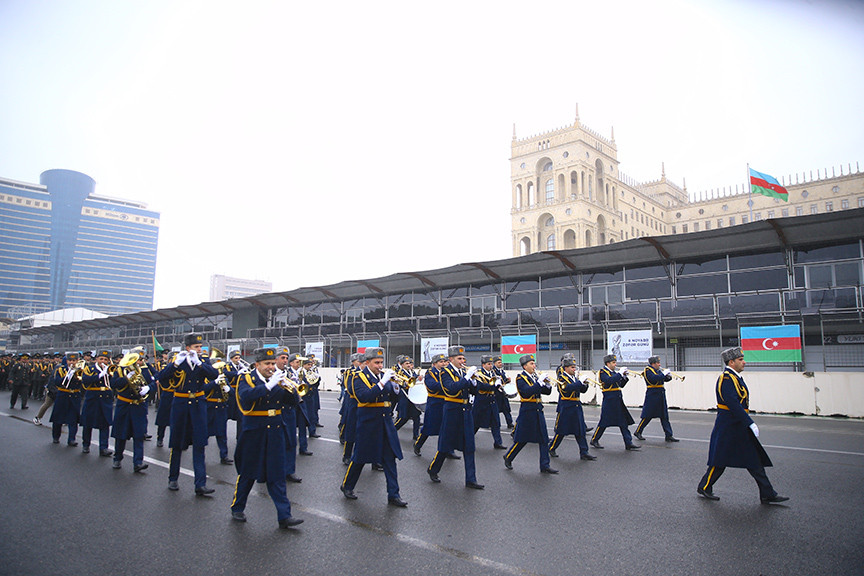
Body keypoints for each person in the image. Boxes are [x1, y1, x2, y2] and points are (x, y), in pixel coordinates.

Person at [697, 347, 789, 504]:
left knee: (754, 460)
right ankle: (704, 486)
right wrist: (749, 422)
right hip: (729, 425)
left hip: (737, 424)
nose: (744, 362)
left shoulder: (735, 377)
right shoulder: (726, 379)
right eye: (740, 360)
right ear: (731, 362)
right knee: (719, 460)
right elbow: (733, 404)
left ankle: (767, 493)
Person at [230, 347, 303, 528]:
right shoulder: (246, 379)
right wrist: (268, 386)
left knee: (277, 474)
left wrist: (290, 388)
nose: (271, 367)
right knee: (248, 472)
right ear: (257, 364)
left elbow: (293, 402)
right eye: (267, 364)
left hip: (275, 431)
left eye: (272, 363)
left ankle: (284, 516)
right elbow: (245, 398)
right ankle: (237, 507)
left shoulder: (278, 379)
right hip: (254, 431)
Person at [340, 347, 407, 507]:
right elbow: (364, 396)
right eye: (376, 362)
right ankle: (347, 485)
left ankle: (393, 494)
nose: (379, 365)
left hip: (385, 421)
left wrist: (397, 387)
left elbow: (392, 396)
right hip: (368, 422)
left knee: (390, 459)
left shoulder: (383, 376)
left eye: (381, 362)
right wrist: (383, 382)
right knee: (360, 458)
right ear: (367, 362)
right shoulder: (358, 377)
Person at [157, 333, 219, 495]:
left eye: (200, 347)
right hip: (181, 404)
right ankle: (173, 478)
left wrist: (199, 364)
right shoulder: (178, 361)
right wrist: (175, 364)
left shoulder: (202, 361)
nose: (199, 350)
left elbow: (214, 375)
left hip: (198, 405)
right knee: (177, 443)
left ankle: (200, 484)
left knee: (199, 444)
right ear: (187, 348)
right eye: (196, 347)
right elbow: (161, 377)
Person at [426, 346, 484, 489]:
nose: (462, 361)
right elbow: (451, 389)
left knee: (469, 445)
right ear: (451, 359)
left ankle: (471, 479)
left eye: (463, 358)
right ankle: (433, 469)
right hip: (452, 410)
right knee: (446, 444)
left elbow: (473, 391)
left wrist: (474, 382)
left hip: (466, 410)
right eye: (459, 358)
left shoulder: (463, 372)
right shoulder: (445, 372)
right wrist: (467, 378)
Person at [503, 354, 558, 474]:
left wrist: (547, 384)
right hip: (528, 410)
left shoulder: (534, 377)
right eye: (531, 363)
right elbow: (526, 392)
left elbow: (546, 392)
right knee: (522, 439)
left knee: (543, 439)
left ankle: (545, 465)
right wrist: (538, 383)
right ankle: (508, 457)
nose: (534, 366)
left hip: (538, 409)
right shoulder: (520, 378)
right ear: (524, 366)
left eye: (534, 363)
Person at [548, 357, 596, 461]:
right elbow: (566, 390)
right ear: (566, 368)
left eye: (574, 367)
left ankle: (584, 452)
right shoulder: (561, 378)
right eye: (572, 367)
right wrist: (579, 383)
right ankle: (551, 448)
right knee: (561, 431)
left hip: (576, 405)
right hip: (567, 406)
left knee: (580, 430)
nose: (574, 369)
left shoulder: (574, 378)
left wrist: (584, 384)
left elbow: (582, 390)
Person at [110, 353, 151, 472]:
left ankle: (138, 462)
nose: (138, 363)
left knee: (139, 435)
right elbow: (114, 384)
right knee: (121, 434)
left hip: (138, 406)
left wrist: (148, 388)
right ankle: (117, 458)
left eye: (139, 361)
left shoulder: (143, 370)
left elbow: (153, 382)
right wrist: (126, 378)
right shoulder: (120, 370)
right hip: (124, 405)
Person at [590, 354, 640, 451]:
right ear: (608, 363)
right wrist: (619, 374)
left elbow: (621, 384)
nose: (615, 364)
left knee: (623, 422)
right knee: (604, 422)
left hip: (617, 399)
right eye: (613, 362)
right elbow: (608, 381)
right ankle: (594, 439)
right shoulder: (602, 372)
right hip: (609, 400)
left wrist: (624, 377)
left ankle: (628, 443)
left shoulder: (613, 372)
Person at [412, 353, 452, 458]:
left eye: (444, 362)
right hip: (435, 403)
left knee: (447, 427)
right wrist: (447, 384)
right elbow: (432, 386)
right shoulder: (430, 373)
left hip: (446, 401)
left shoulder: (447, 372)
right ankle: (418, 445)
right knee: (428, 427)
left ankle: (448, 450)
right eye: (441, 362)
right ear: (434, 364)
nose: (443, 364)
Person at [79, 349, 115, 457]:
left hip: (105, 398)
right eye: (101, 359)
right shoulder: (89, 369)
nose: (103, 361)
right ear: (96, 359)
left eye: (105, 359)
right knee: (88, 422)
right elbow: (85, 380)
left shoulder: (111, 370)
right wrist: (99, 375)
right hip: (92, 398)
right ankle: (86, 444)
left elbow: (115, 383)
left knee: (105, 423)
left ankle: (103, 447)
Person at [634, 356, 678, 442]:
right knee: (647, 415)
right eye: (658, 363)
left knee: (664, 416)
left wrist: (668, 376)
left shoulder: (658, 370)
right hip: (652, 395)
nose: (659, 364)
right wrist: (663, 374)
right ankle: (638, 431)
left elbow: (664, 379)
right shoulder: (647, 371)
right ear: (653, 364)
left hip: (660, 394)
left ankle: (668, 435)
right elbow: (653, 379)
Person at [274, 347, 302, 483]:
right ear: (276, 359)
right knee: (276, 443)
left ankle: (289, 471)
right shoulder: (271, 373)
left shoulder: (289, 374)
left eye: (286, 358)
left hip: (289, 411)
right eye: (282, 358)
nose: (285, 361)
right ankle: (273, 471)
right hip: (276, 411)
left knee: (291, 442)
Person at [48, 352, 84, 446]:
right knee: (58, 418)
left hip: (75, 395)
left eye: (74, 360)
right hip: (63, 394)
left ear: (77, 361)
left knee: (73, 419)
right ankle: (56, 437)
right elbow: (57, 382)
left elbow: (83, 383)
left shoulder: (80, 370)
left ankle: (71, 439)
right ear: (66, 361)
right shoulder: (60, 369)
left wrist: (77, 375)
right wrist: (68, 375)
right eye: (70, 360)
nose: (72, 362)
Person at [472, 355, 506, 450]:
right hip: (482, 401)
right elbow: (481, 386)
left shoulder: (494, 373)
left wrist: (501, 382)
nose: (491, 366)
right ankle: (467, 439)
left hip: (492, 400)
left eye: (491, 364)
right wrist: (494, 386)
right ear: (483, 365)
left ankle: (498, 442)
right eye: (489, 364)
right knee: (476, 423)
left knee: (496, 422)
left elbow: (502, 382)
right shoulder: (478, 374)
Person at [205, 355, 233, 465]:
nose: (219, 370)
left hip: (221, 408)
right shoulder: (206, 378)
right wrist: (214, 383)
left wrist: (228, 389)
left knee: (222, 433)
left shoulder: (224, 378)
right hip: (210, 407)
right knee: (205, 433)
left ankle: (224, 456)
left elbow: (231, 393)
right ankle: (200, 453)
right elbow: (203, 389)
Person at [286, 353, 314, 455]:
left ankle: (303, 448)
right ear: (291, 363)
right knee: (292, 427)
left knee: (303, 426)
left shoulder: (303, 372)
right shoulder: (287, 373)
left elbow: (309, 383)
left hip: (301, 402)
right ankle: (290, 448)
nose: (299, 364)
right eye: (297, 362)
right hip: (292, 403)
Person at [339, 353, 363, 465]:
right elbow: (349, 387)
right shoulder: (351, 372)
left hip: (366, 406)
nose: (361, 363)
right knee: (350, 428)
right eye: (359, 361)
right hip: (353, 402)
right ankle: (347, 455)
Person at [393, 355, 422, 440]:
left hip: (413, 397)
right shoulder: (398, 373)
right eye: (406, 363)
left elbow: (415, 380)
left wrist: (419, 378)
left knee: (416, 416)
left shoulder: (412, 372)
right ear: (402, 365)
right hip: (404, 397)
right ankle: (392, 431)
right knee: (403, 418)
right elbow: (399, 384)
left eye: (410, 363)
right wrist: (406, 384)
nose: (409, 365)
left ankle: (416, 435)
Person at [492, 356, 514, 429]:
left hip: (503, 393)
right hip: (497, 394)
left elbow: (503, 381)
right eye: (499, 362)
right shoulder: (493, 371)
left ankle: (509, 423)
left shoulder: (502, 371)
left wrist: (507, 380)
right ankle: (493, 423)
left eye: (501, 362)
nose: (500, 364)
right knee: (495, 410)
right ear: (494, 363)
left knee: (506, 409)